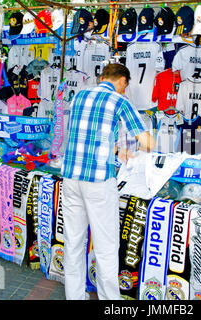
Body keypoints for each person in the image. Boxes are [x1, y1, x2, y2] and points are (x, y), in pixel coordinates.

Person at [61, 63, 155, 300]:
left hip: (71, 178)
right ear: (122, 81)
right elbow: (147, 143)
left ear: (103, 77)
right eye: (125, 85)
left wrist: (114, 149)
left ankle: (75, 297)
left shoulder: (80, 95)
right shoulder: (119, 101)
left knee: (73, 243)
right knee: (105, 248)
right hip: (98, 182)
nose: (124, 89)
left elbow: (87, 134)